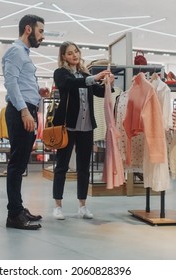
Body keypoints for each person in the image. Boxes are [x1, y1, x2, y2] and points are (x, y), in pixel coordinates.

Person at [51, 41, 113, 220]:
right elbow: (70, 84)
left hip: (86, 127)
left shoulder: (86, 74)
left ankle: (82, 205)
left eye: (76, 52)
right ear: (63, 56)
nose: (74, 55)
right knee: (61, 166)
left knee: (84, 167)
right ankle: (57, 205)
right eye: (69, 53)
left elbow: (98, 92)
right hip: (67, 126)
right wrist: (94, 78)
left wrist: (108, 83)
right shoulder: (61, 73)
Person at [2, 14, 50, 230]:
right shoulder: (15, 51)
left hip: (27, 110)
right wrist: (24, 111)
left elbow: (19, 83)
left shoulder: (23, 53)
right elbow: (11, 84)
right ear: (28, 29)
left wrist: (37, 92)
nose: (42, 36)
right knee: (16, 165)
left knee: (20, 164)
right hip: (21, 112)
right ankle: (13, 215)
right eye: (40, 31)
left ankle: (18, 209)